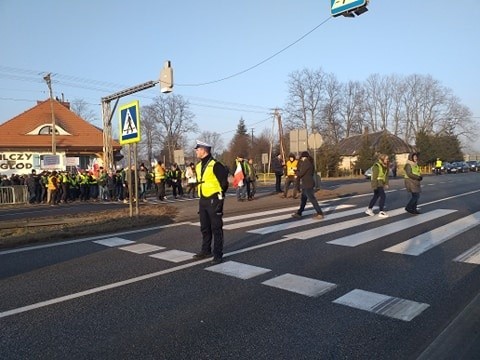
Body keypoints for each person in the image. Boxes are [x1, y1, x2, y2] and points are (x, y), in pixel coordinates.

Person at [192, 140, 229, 265]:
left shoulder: (216, 165)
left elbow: (224, 183)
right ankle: (206, 250)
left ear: (204, 150)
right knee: (205, 227)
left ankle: (218, 254)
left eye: (198, 149)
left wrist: (220, 198)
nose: (196, 151)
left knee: (216, 228)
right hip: (203, 199)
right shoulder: (198, 166)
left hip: (214, 199)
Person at [291, 151, 324, 220]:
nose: (301, 159)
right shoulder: (309, 162)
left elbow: (301, 173)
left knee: (312, 199)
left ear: (303, 157)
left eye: (301, 158)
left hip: (308, 184)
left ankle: (320, 213)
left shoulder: (306, 163)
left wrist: (295, 171)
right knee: (303, 200)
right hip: (306, 184)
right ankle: (299, 213)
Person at [365, 154, 390, 218]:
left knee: (376, 196)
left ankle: (369, 209)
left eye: (387, 159)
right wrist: (374, 186)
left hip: (381, 183)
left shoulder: (385, 166)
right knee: (383, 196)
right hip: (377, 184)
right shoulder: (377, 166)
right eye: (386, 159)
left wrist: (386, 183)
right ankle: (381, 211)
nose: (387, 160)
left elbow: (386, 176)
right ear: (382, 159)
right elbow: (374, 177)